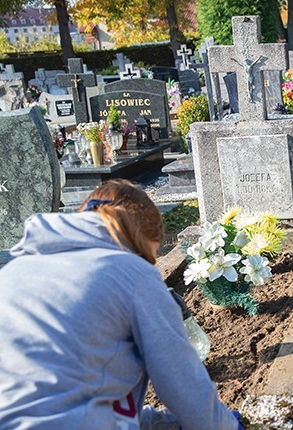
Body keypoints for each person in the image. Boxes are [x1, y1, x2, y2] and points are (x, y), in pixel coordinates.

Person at [0, 179, 242, 430]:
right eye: (150, 256)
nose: (150, 265)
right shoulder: (132, 272)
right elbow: (186, 387)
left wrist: (159, 422)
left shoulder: (14, 271)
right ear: (139, 240)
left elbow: (55, 396)